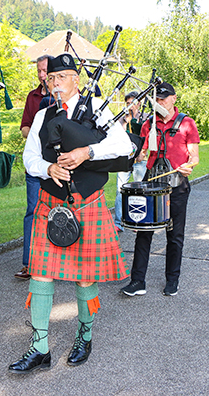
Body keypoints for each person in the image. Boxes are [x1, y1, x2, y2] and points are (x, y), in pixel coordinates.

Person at [8, 53, 133, 373]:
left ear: (76, 79)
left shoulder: (98, 110)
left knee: (85, 277)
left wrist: (86, 152)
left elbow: (124, 147)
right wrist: (48, 168)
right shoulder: (42, 114)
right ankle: (39, 348)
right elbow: (29, 158)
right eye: (50, 79)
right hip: (51, 204)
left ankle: (85, 335)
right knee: (40, 273)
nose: (54, 84)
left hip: (87, 203)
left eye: (61, 77)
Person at [121, 82, 200, 297]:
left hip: (177, 185)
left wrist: (188, 165)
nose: (160, 102)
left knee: (174, 235)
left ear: (174, 98)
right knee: (143, 233)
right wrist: (136, 154)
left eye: (164, 99)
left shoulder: (187, 124)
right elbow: (142, 152)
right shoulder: (149, 124)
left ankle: (172, 280)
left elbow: (195, 157)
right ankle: (138, 281)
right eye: (157, 99)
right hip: (152, 184)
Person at [15, 55, 51, 280]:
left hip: (59, 164)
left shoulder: (64, 96)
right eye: (38, 71)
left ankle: (57, 262)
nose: (41, 75)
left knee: (59, 213)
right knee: (33, 213)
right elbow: (24, 129)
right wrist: (41, 132)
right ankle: (29, 263)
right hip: (36, 165)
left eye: (44, 70)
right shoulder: (33, 96)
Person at [113, 91, 149, 232]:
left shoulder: (146, 118)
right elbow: (118, 136)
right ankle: (119, 222)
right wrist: (126, 120)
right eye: (127, 103)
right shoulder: (122, 119)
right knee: (120, 190)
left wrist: (142, 153)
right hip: (125, 159)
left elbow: (148, 137)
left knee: (139, 190)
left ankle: (137, 221)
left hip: (140, 159)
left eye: (132, 103)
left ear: (138, 103)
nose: (130, 106)